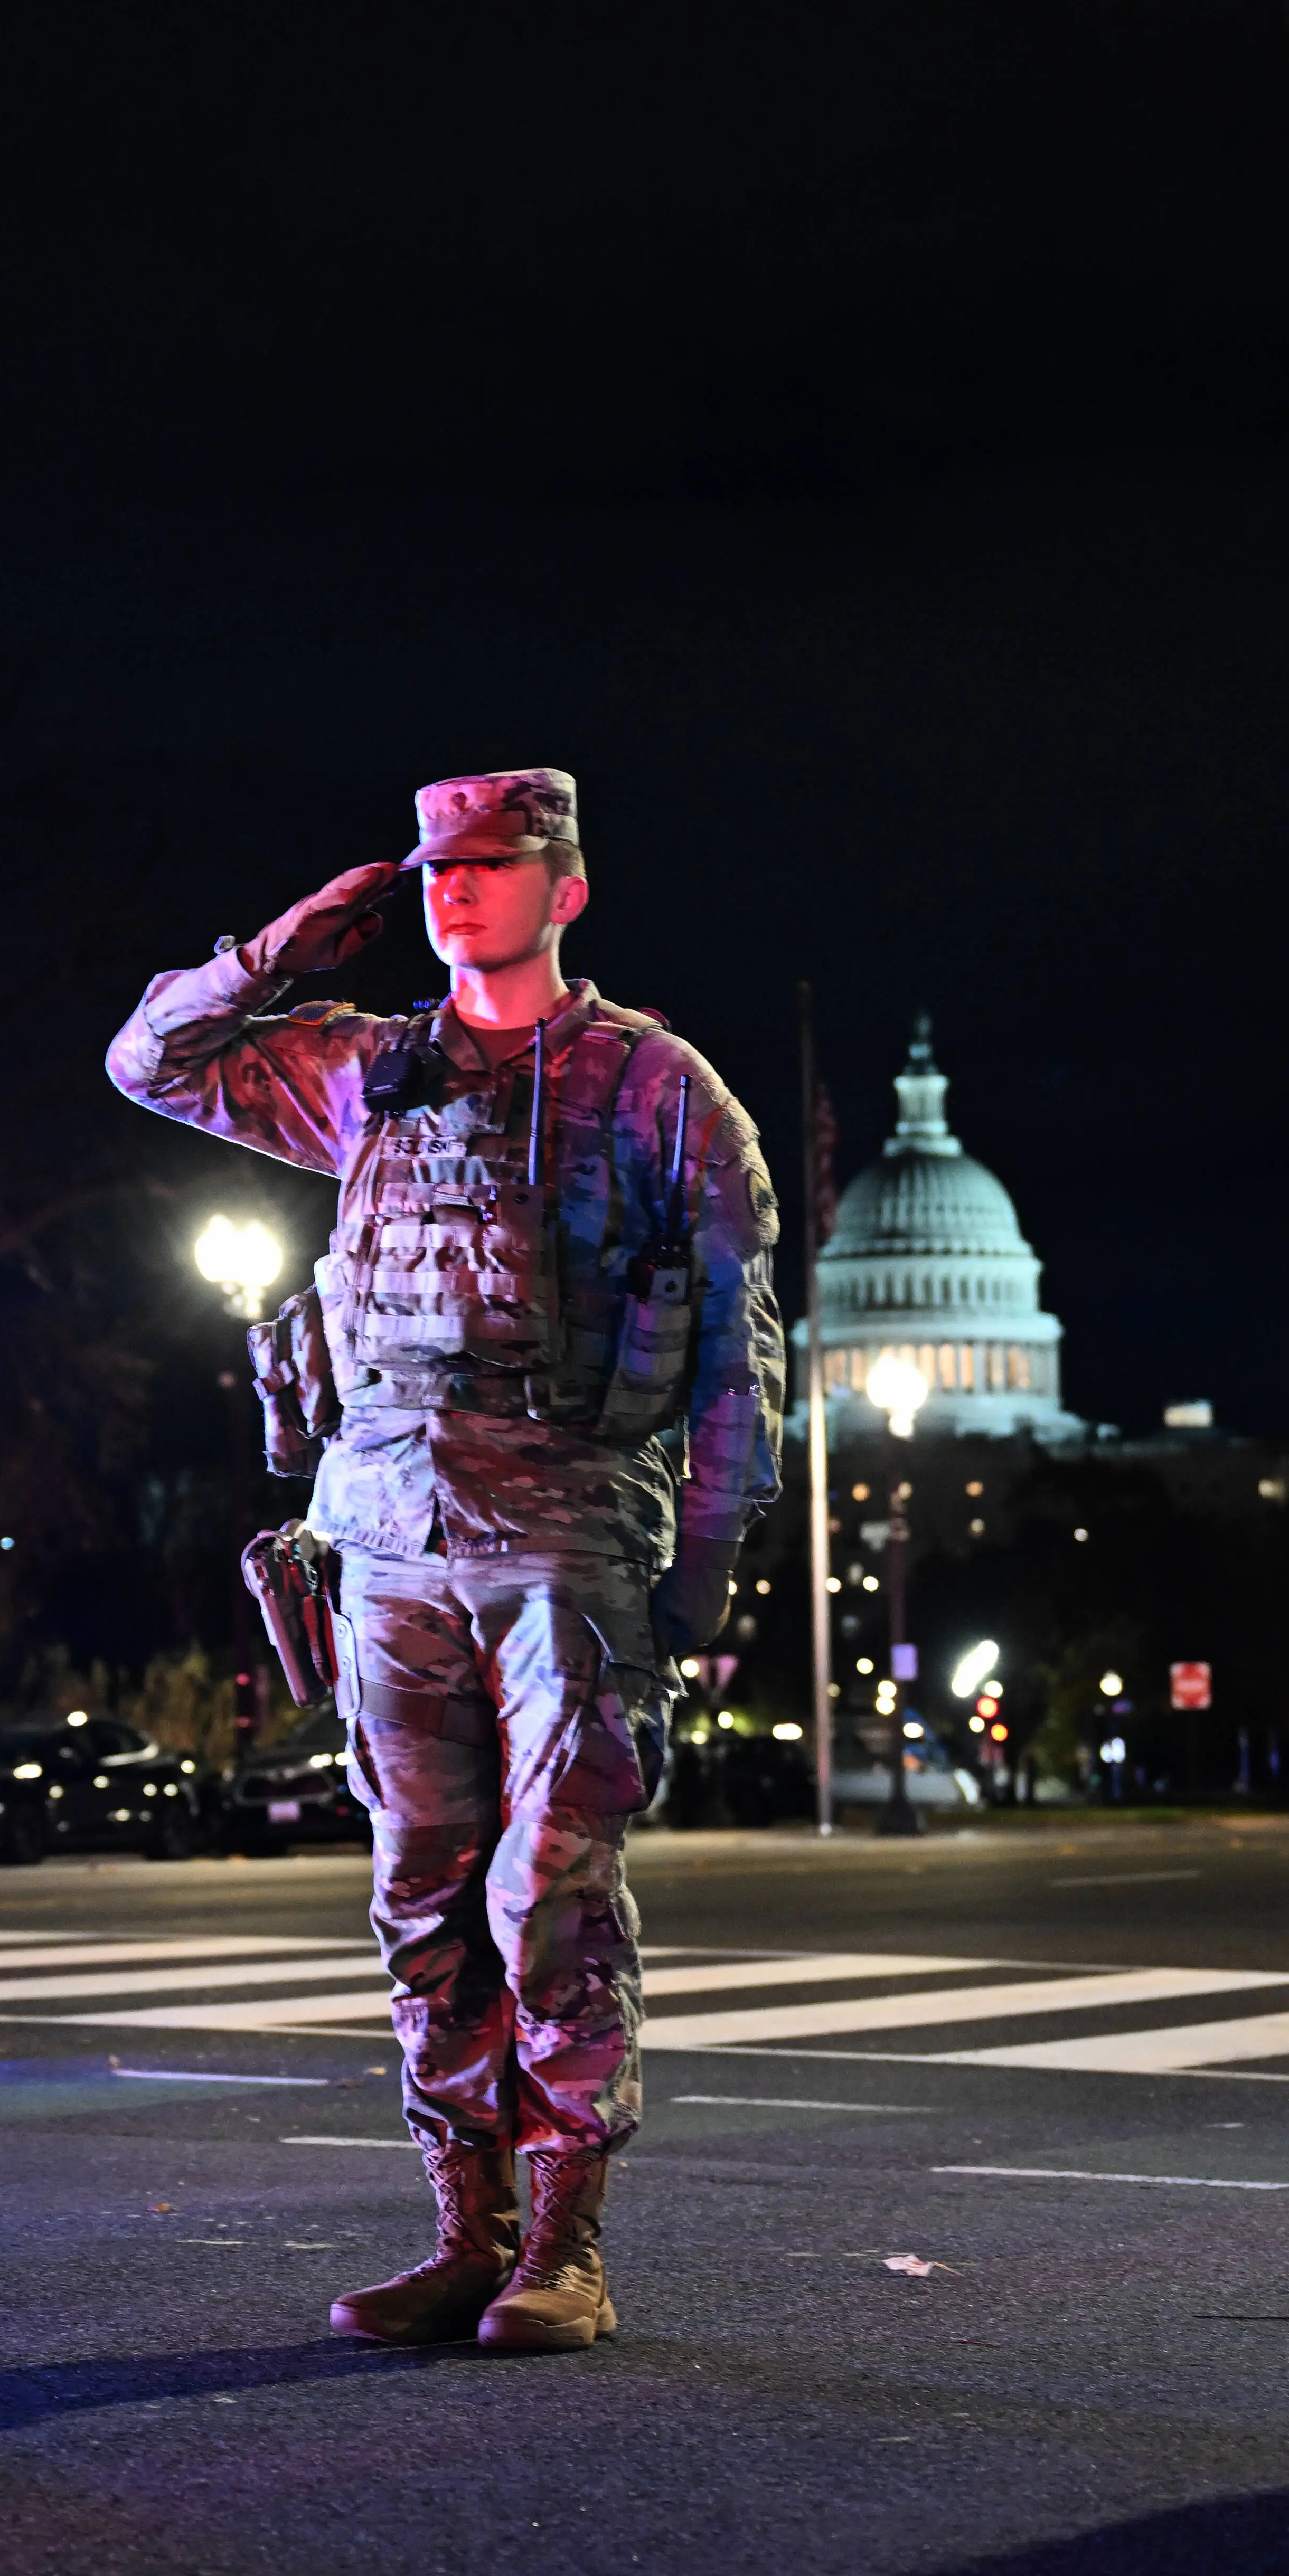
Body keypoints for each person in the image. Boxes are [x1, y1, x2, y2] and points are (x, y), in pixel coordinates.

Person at [109, 768, 782, 2351]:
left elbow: (741, 1357)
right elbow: (151, 1063)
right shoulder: (369, 1069)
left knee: (552, 1894)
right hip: (390, 1535)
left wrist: (706, 1565)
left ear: (567, 890)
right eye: (436, 867)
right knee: (421, 1893)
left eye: (493, 864)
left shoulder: (654, 1086)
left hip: (569, 1540)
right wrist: (278, 950)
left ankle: (566, 2239)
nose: (455, 890)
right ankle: (461, 2229)